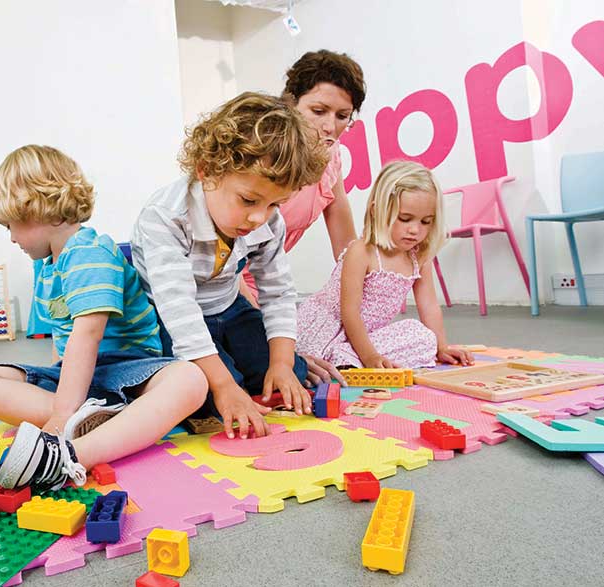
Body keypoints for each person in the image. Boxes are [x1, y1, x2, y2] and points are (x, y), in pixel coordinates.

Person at [0, 145, 207, 493]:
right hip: (81, 379)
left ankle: (70, 452)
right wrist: (62, 397)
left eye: (11, 225)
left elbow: (87, 335)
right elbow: (64, 343)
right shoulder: (50, 265)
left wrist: (60, 416)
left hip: (127, 368)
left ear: (35, 208)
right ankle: (109, 423)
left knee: (190, 380)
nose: (12, 238)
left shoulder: (89, 252)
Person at [131, 92, 333, 441]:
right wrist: (223, 384)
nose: (259, 217)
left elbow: (278, 291)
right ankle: (146, 380)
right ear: (207, 171)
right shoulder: (166, 217)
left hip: (228, 306)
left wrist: (282, 363)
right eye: (249, 200)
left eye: (275, 204)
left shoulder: (268, 220)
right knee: (211, 395)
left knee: (291, 374)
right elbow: (178, 310)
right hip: (173, 318)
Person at [295, 160, 474, 369]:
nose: (415, 230)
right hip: (327, 330)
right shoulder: (361, 252)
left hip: (365, 336)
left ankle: (345, 359)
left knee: (424, 338)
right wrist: (370, 356)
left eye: (426, 221)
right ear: (376, 210)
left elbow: (429, 306)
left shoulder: (420, 256)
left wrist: (441, 346)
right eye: (405, 219)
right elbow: (349, 313)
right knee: (332, 352)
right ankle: (338, 358)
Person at [241, 49, 366, 308]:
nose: (330, 126)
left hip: (265, 283)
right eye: (318, 111)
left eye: (342, 116)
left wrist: (362, 297)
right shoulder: (262, 151)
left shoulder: (331, 155)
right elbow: (223, 254)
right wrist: (253, 317)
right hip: (219, 279)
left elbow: (345, 246)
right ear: (290, 103)